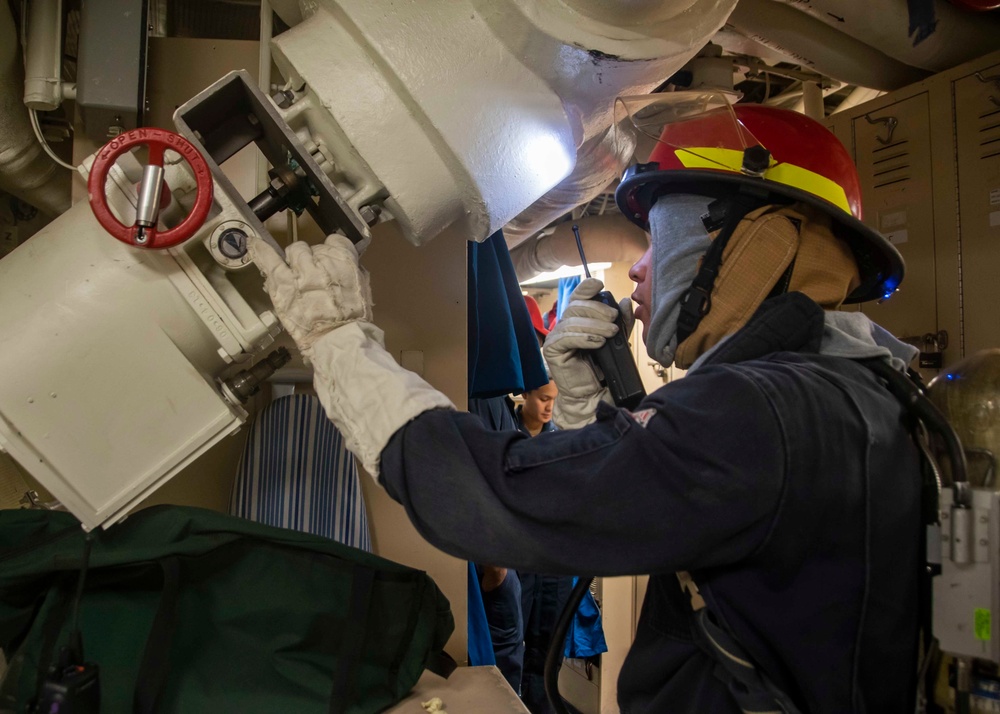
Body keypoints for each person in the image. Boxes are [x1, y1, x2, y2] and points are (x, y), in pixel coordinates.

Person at [249, 99, 922, 712]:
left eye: (661, 239)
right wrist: (582, 413)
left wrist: (337, 343)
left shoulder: (758, 408)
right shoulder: (858, 387)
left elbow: (503, 502)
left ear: (758, 247)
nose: (637, 267)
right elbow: (627, 503)